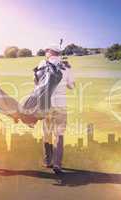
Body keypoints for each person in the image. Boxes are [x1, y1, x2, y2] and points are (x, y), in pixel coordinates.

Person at [38, 45, 75, 174]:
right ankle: (57, 164)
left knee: (47, 133)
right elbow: (72, 86)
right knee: (59, 134)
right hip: (60, 105)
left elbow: (37, 82)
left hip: (46, 105)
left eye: (46, 51)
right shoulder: (66, 66)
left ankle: (48, 161)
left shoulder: (42, 64)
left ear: (49, 52)